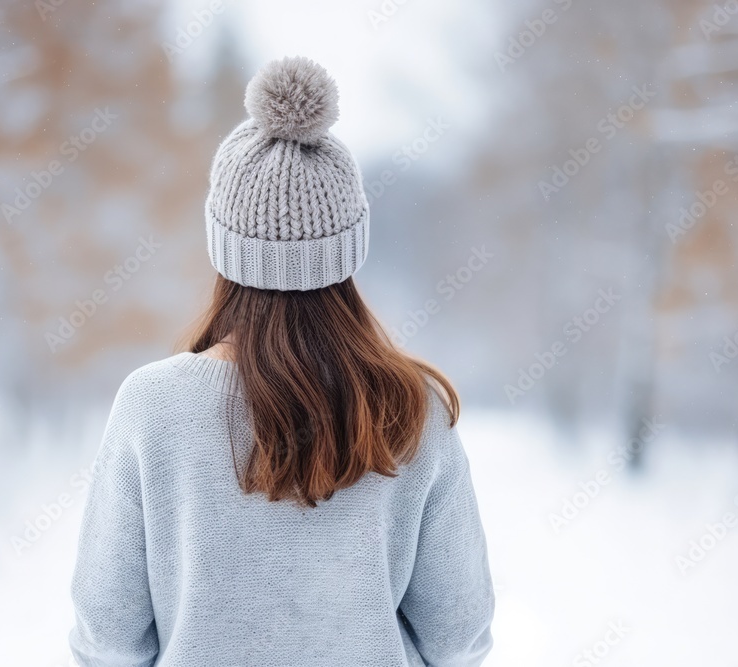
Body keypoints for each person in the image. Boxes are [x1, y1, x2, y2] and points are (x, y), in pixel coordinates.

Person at [69, 56, 494, 667]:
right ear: (348, 248)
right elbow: (459, 637)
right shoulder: (414, 408)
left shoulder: (153, 404)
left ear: (224, 246)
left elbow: (107, 637)